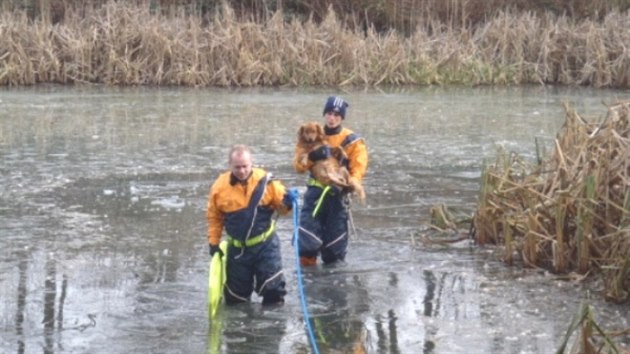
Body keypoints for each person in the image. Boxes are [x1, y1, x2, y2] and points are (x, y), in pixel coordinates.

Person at [207, 144, 299, 306]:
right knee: (236, 299)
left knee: (273, 292)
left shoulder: (267, 182)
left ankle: (271, 328)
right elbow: (214, 217)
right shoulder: (219, 188)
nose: (241, 171)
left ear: (252, 163)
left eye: (245, 166)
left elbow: (283, 210)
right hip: (237, 250)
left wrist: (288, 202)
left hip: (266, 246)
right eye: (237, 167)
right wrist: (214, 243)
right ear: (230, 165)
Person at [293, 96, 368, 266]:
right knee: (307, 243)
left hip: (337, 195)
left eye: (336, 114)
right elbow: (298, 167)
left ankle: (333, 284)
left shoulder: (353, 140)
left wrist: (349, 186)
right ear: (324, 115)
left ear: (341, 117)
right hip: (315, 195)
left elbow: (358, 167)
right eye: (328, 113)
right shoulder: (310, 135)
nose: (332, 118)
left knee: (334, 249)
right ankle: (307, 277)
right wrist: (312, 157)